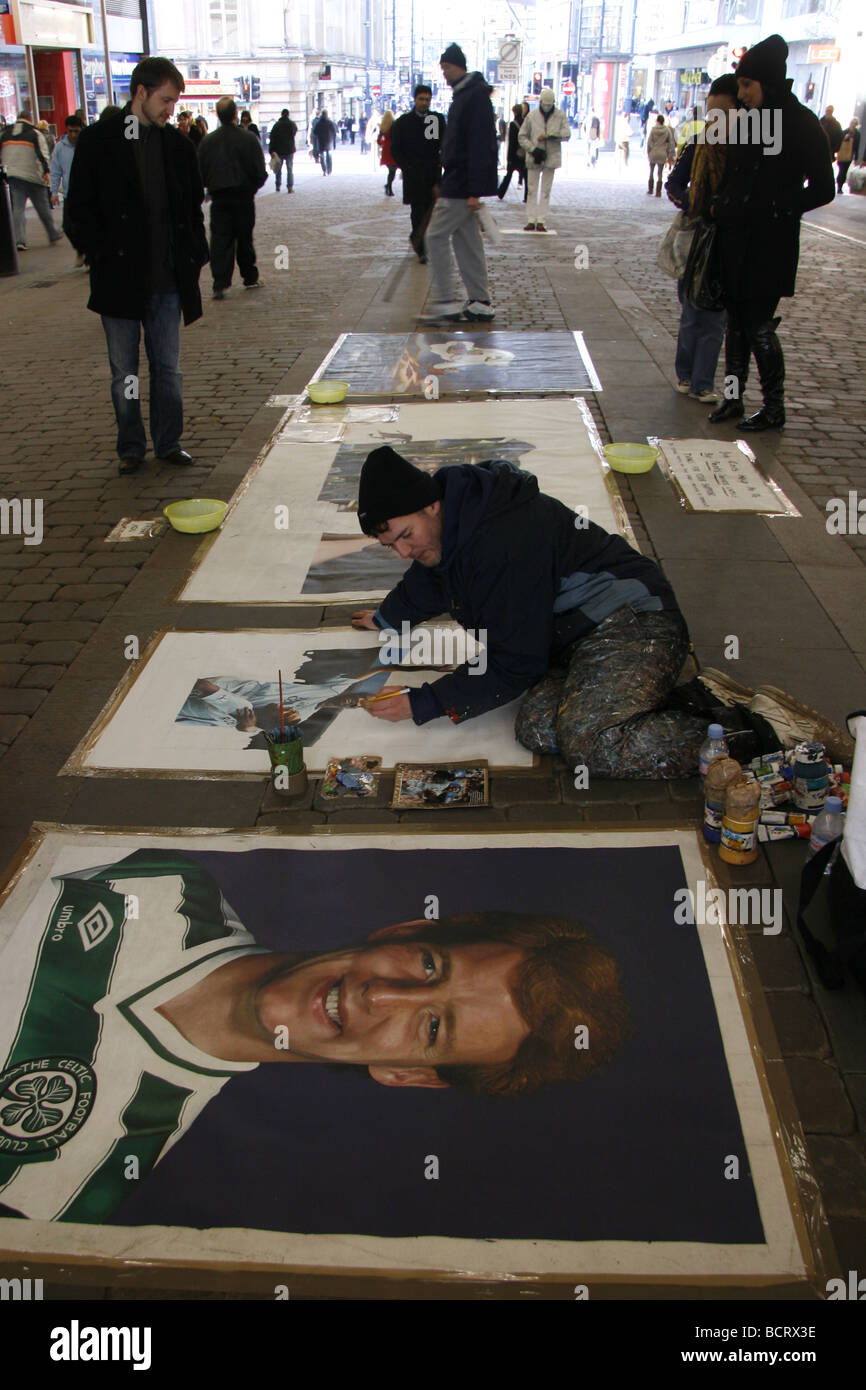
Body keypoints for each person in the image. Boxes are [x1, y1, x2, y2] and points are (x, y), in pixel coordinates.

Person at [0, 846, 628, 1220]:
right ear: (400, 930)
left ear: (405, 1074)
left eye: (433, 1026)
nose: (381, 996)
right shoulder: (156, 879)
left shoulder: (98, 1174)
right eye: (428, 966)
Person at [349, 447, 854, 777]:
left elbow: (515, 663)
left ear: (432, 505)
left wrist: (427, 702)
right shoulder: (454, 526)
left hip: (633, 623)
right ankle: (703, 697)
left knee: (595, 746)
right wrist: (391, 618)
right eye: (388, 544)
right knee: (540, 729)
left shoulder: (501, 541)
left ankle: (762, 731)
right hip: (573, 639)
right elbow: (430, 575)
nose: (401, 551)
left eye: (404, 536)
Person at [65, 56, 209, 476]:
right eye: (165, 100)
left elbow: (192, 209)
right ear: (141, 92)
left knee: (167, 369)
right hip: (119, 281)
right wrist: (99, 252)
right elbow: (78, 210)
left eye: (174, 101)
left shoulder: (177, 145)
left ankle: (168, 442)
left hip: (166, 281)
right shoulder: (99, 140)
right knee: (125, 372)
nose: (170, 109)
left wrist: (194, 255)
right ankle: (131, 446)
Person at [707, 34, 835, 432]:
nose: (741, 93)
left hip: (769, 244)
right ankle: (732, 397)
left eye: (747, 85)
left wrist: (782, 208)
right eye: (740, 85)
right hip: (734, 239)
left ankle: (774, 406)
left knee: (759, 324)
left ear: (768, 82)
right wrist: (720, 205)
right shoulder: (749, 122)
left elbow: (824, 188)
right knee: (735, 326)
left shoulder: (801, 123)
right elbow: (731, 176)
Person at [666, 75, 739, 404]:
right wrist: (691, 203)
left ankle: (703, 382)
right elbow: (674, 183)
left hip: (725, 241)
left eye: (722, 113)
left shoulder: (745, 150)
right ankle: (685, 374)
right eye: (711, 112)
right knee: (691, 312)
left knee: (714, 317)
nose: (715, 120)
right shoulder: (696, 143)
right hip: (695, 239)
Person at [419, 42, 498, 324]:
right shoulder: (468, 94)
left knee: (435, 236)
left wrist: (475, 189)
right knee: (467, 242)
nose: (444, 73)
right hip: (460, 182)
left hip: (461, 183)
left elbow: (479, 145)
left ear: (458, 66)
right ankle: (480, 301)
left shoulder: (472, 97)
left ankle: (445, 301)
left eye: (446, 68)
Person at [197, 95, 267, 301]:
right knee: (244, 237)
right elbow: (259, 172)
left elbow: (200, 172)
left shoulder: (208, 142)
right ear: (235, 113)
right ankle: (249, 276)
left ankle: (220, 282)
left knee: (220, 240)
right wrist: (252, 188)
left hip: (219, 198)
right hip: (243, 196)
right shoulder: (248, 139)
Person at [390, 85, 445, 262]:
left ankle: (422, 243)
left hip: (431, 174)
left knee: (430, 211)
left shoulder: (435, 120)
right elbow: (396, 149)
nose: (424, 103)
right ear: (414, 99)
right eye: (421, 99)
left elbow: (439, 146)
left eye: (428, 99)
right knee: (417, 211)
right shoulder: (403, 122)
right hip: (413, 175)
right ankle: (420, 247)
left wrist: (439, 168)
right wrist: (406, 167)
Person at [0, 110, 64, 251]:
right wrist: (46, 171)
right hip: (34, 176)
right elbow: (43, 154)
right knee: (43, 208)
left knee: (18, 209)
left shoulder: (5, 133)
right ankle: (53, 233)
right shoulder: (35, 133)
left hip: (13, 175)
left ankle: (19, 240)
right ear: (30, 119)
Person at [518, 88, 570, 232]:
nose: (547, 107)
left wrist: (549, 136)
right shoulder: (531, 116)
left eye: (549, 104)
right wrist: (533, 149)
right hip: (534, 156)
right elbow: (522, 136)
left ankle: (541, 220)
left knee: (546, 190)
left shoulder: (560, 116)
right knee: (532, 189)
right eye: (544, 104)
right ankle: (530, 219)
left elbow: (566, 134)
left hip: (551, 157)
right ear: (540, 102)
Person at [49, 114, 85, 264]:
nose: (73, 135)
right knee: (68, 227)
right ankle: (80, 249)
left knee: (86, 226)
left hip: (86, 193)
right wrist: (53, 192)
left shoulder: (87, 145)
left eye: (76, 131)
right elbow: (56, 170)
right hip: (69, 193)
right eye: (70, 131)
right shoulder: (60, 147)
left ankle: (88, 256)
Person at [497, 103, 527, 200]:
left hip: (514, 155)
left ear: (514, 112)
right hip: (524, 153)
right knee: (526, 176)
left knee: (508, 175)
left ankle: (501, 193)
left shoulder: (513, 124)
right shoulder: (526, 122)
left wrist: (509, 157)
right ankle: (527, 196)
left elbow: (512, 142)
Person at [268, 108, 297, 192]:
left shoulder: (276, 125)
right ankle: (290, 187)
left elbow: (272, 137)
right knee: (289, 169)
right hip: (289, 149)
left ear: (281, 115)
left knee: (278, 168)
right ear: (288, 115)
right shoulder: (292, 124)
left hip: (279, 150)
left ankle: (278, 185)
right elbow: (294, 132)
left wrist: (272, 150)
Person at [646, 112, 675, 196]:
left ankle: (650, 190)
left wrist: (649, 152)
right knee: (660, 173)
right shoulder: (667, 130)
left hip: (654, 152)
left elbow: (649, 142)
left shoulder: (653, 129)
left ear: (657, 121)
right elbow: (671, 142)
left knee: (651, 172)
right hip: (662, 153)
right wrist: (670, 154)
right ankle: (658, 192)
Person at [835, 118, 860, 193]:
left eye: (855, 123)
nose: (853, 124)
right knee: (841, 170)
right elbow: (839, 140)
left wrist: (856, 157)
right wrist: (845, 138)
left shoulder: (857, 134)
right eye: (852, 123)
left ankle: (840, 186)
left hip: (850, 155)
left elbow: (857, 146)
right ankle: (839, 184)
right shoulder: (845, 131)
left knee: (844, 171)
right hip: (842, 154)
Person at [378, 109, 398, 195]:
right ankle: (389, 187)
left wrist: (383, 143)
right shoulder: (395, 125)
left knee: (391, 170)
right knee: (393, 170)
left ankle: (388, 186)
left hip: (386, 149)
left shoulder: (383, 127)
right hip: (393, 148)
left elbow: (379, 140)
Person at [313, 107, 336, 175]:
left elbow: (315, 132)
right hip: (329, 141)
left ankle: (324, 170)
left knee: (322, 156)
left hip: (321, 141)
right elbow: (334, 131)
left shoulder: (318, 123)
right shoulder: (330, 122)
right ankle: (329, 170)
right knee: (329, 155)